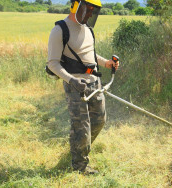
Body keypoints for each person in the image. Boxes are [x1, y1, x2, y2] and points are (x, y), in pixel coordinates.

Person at [47, 0, 119, 175]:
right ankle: (79, 166)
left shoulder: (87, 29)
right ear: (75, 6)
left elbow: (90, 55)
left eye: (93, 11)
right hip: (75, 86)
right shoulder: (59, 30)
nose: (89, 15)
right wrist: (71, 80)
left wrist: (107, 63)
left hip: (94, 82)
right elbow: (53, 64)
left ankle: (79, 148)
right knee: (82, 127)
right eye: (88, 10)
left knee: (99, 121)